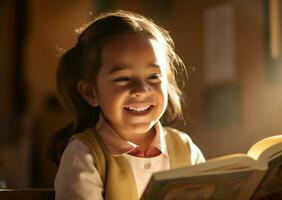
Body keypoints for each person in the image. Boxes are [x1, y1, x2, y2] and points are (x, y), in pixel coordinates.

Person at [48, 10, 205, 200]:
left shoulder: (186, 148)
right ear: (91, 92)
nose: (141, 89)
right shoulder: (84, 154)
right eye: (123, 78)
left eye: (153, 76)